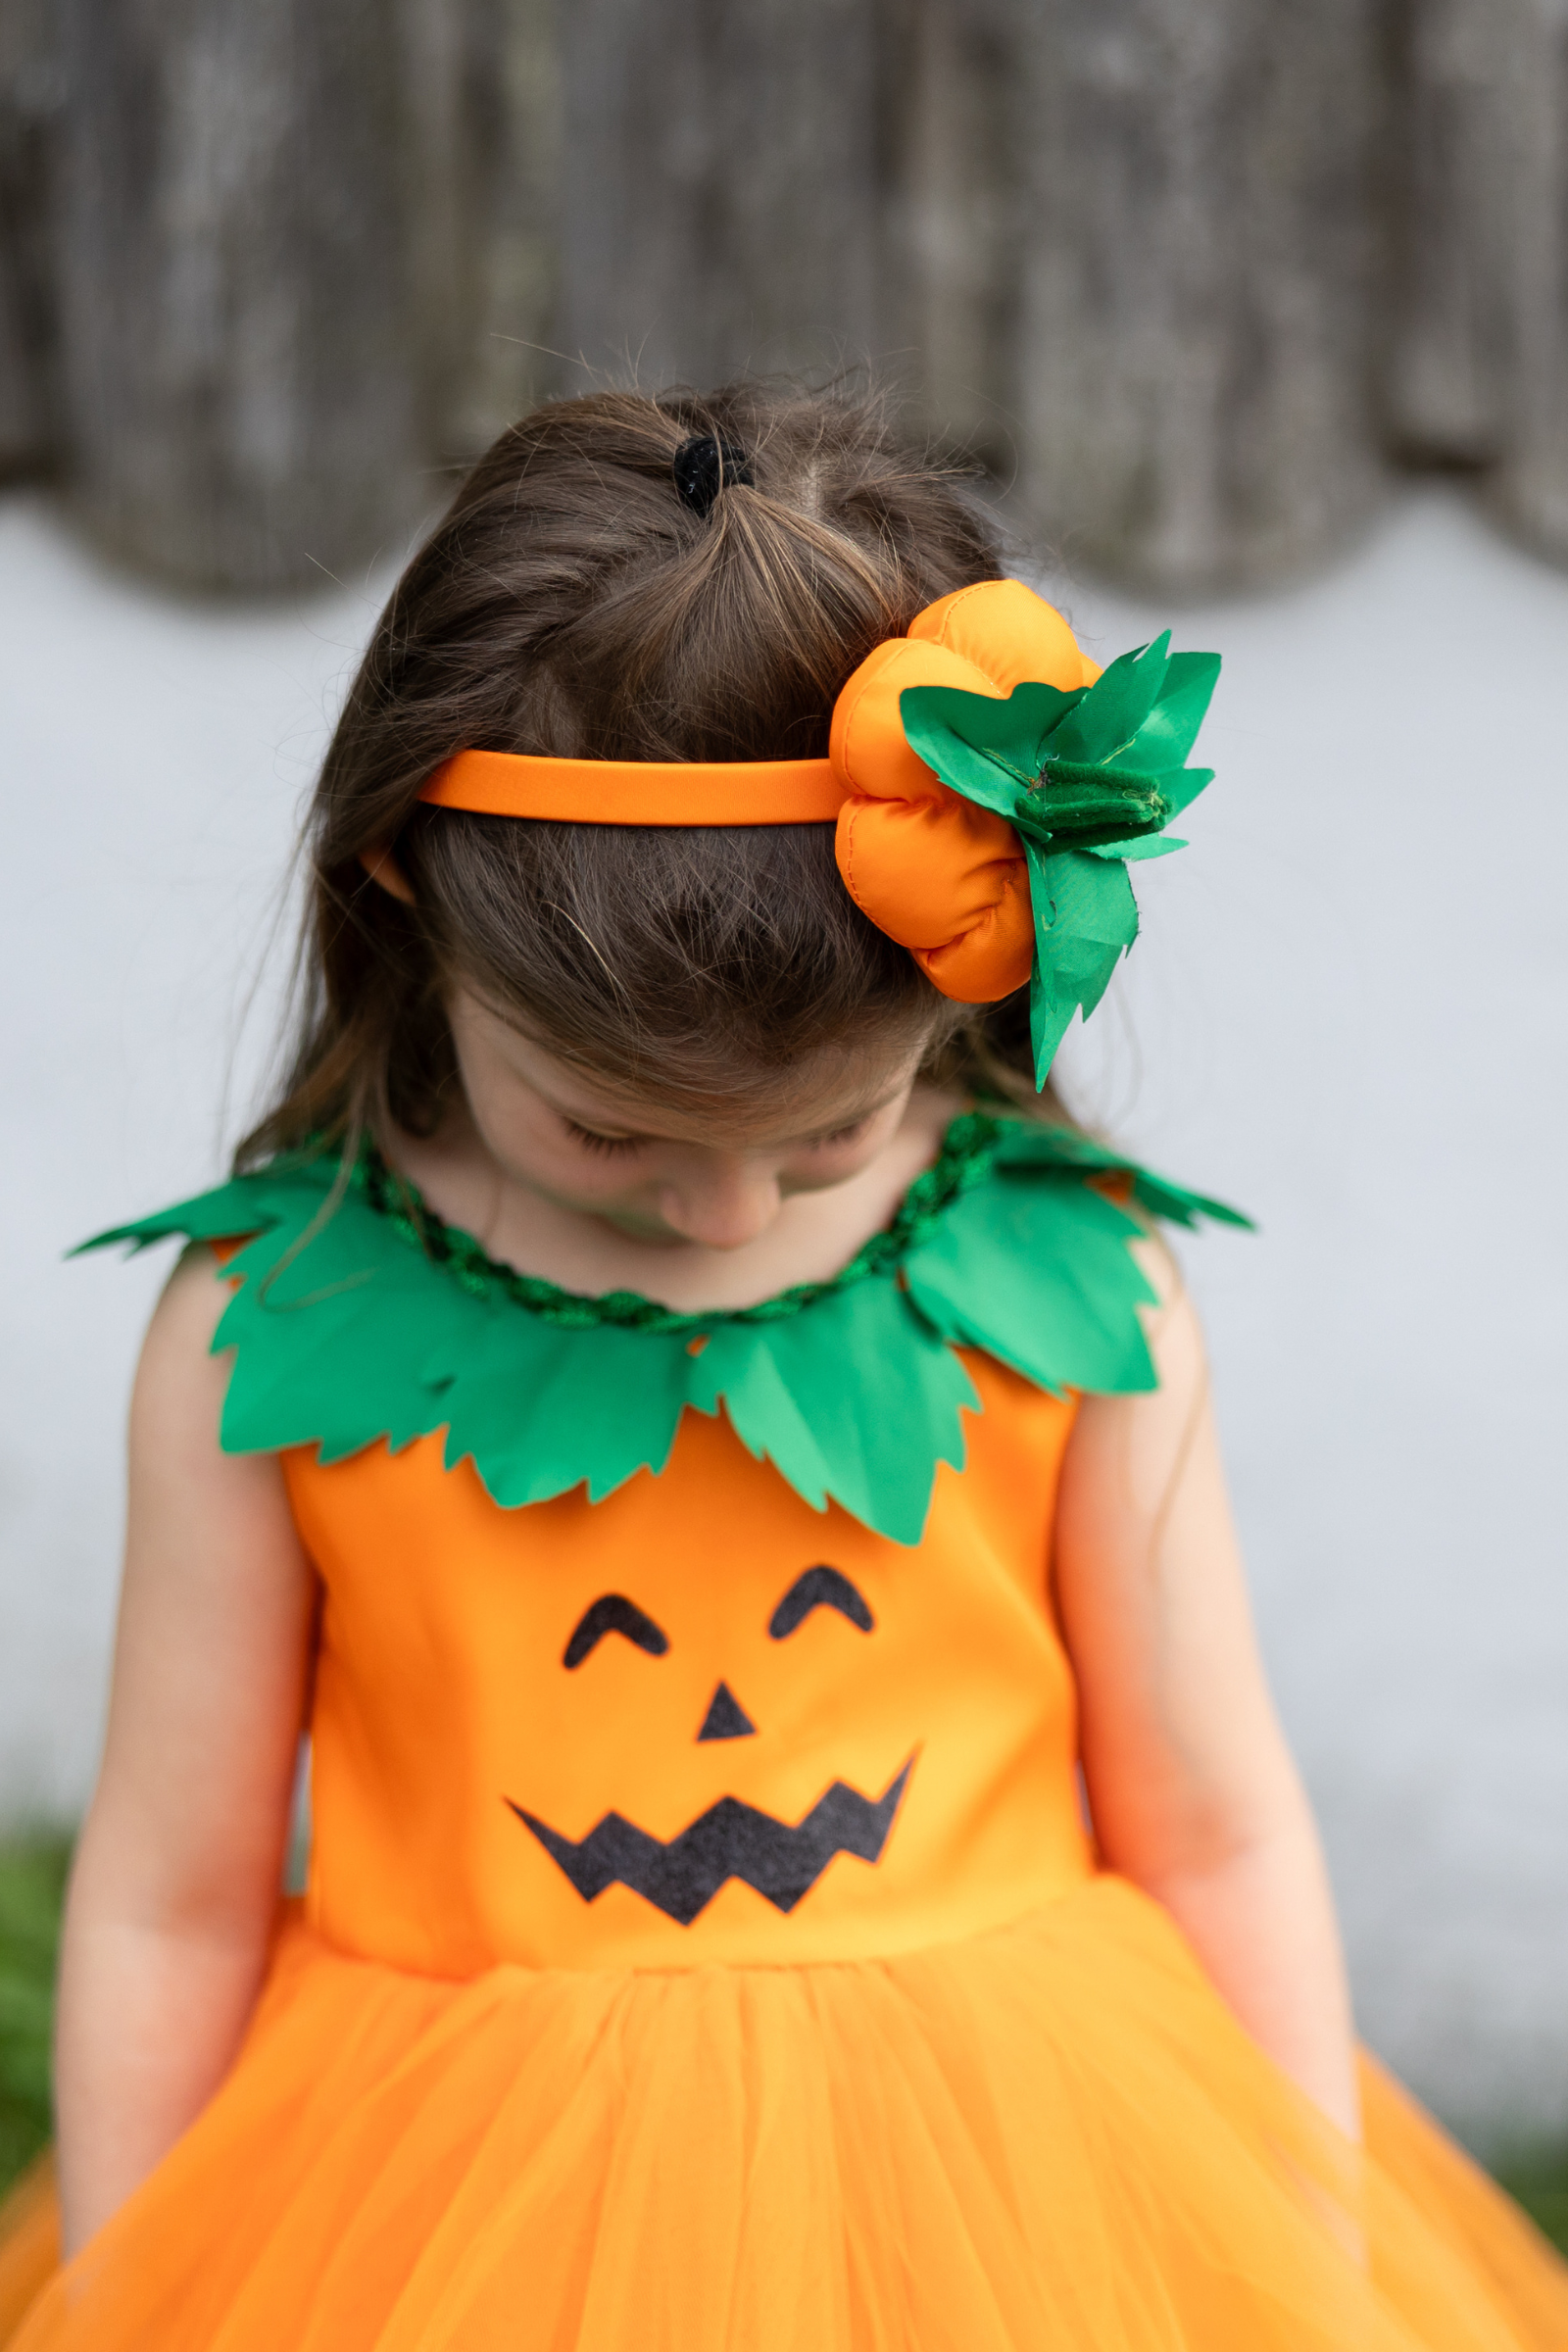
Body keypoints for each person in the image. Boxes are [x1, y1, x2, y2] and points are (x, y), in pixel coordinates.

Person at [3, 382, 1565, 2352]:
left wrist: (1304, 2269)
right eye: (606, 1130)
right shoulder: (275, 1325)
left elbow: (1215, 1828)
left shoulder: (1063, 1285)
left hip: (1012, 2204)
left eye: (828, 1133)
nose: (726, 1215)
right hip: (457, 2220)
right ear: (402, 883)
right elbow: (173, 1901)